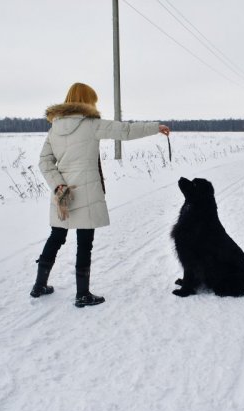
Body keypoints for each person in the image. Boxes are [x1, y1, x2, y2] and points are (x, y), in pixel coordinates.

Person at [31, 82, 170, 308]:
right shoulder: (91, 124)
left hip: (63, 195)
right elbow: (125, 131)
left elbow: (44, 162)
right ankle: (82, 294)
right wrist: (156, 127)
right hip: (86, 192)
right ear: (87, 101)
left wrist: (58, 185)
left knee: (56, 237)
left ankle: (39, 285)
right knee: (84, 243)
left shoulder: (54, 127)